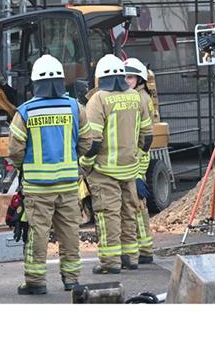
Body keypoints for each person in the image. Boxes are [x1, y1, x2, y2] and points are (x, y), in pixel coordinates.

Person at [8, 54, 92, 295]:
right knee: (70, 233)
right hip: (68, 185)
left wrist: (23, 166)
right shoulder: (76, 108)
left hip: (37, 187)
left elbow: (15, 150)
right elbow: (87, 142)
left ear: (36, 83)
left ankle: (35, 282)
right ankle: (72, 280)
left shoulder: (25, 112)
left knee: (37, 234)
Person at [80, 54, 153, 274]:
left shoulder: (98, 99)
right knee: (128, 212)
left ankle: (110, 262)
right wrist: (136, 158)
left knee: (108, 215)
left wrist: (85, 164)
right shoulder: (136, 97)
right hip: (130, 169)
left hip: (104, 170)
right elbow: (147, 136)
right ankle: (130, 258)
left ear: (100, 77)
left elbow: (93, 140)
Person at [124, 57, 156, 265]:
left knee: (137, 207)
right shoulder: (141, 96)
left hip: (137, 160)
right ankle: (144, 248)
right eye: (125, 76)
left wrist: (137, 172)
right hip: (137, 159)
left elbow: (143, 137)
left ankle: (144, 250)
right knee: (137, 207)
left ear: (140, 79)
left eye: (131, 77)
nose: (127, 80)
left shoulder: (140, 99)